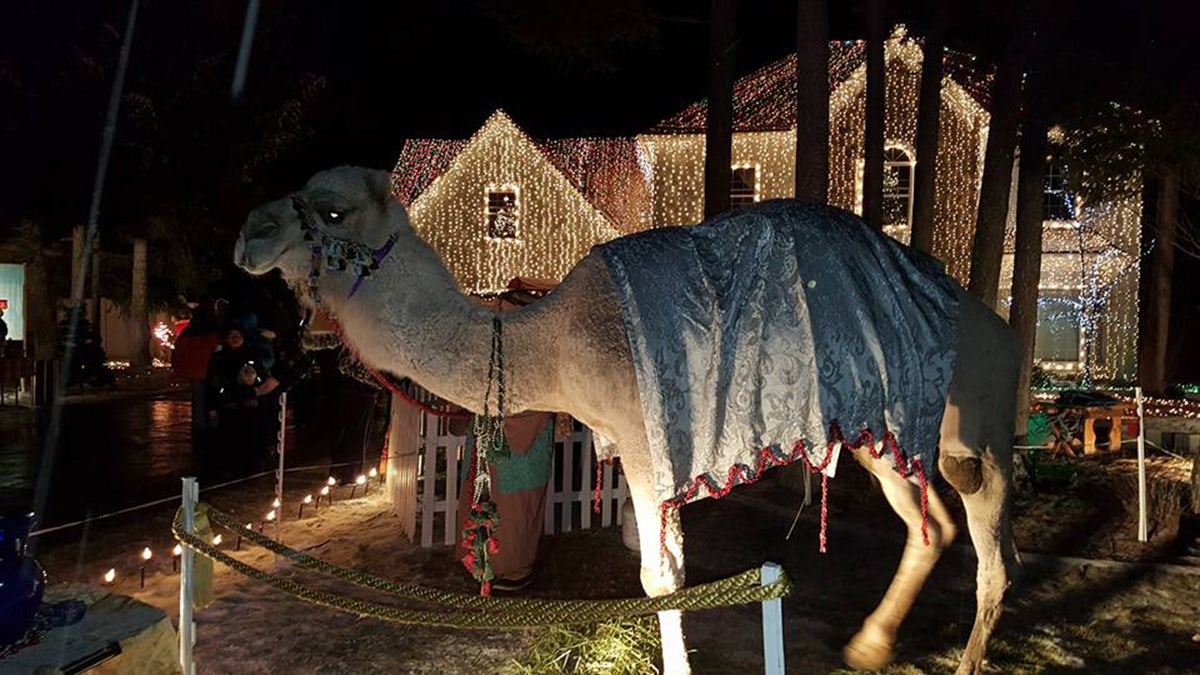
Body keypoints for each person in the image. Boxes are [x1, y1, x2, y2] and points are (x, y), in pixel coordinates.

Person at [207, 323, 278, 478]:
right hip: (227, 404)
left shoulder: (251, 356)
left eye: (238, 336)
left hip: (248, 404)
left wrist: (254, 383)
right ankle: (229, 468)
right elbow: (212, 383)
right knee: (228, 438)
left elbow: (262, 377)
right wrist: (212, 406)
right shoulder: (219, 358)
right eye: (232, 336)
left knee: (248, 437)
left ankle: (249, 467)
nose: (235, 339)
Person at [172, 299, 221, 434]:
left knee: (198, 397)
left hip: (194, 370)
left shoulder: (188, 330)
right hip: (209, 369)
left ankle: (199, 424)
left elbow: (179, 349)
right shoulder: (212, 330)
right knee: (211, 396)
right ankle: (212, 425)